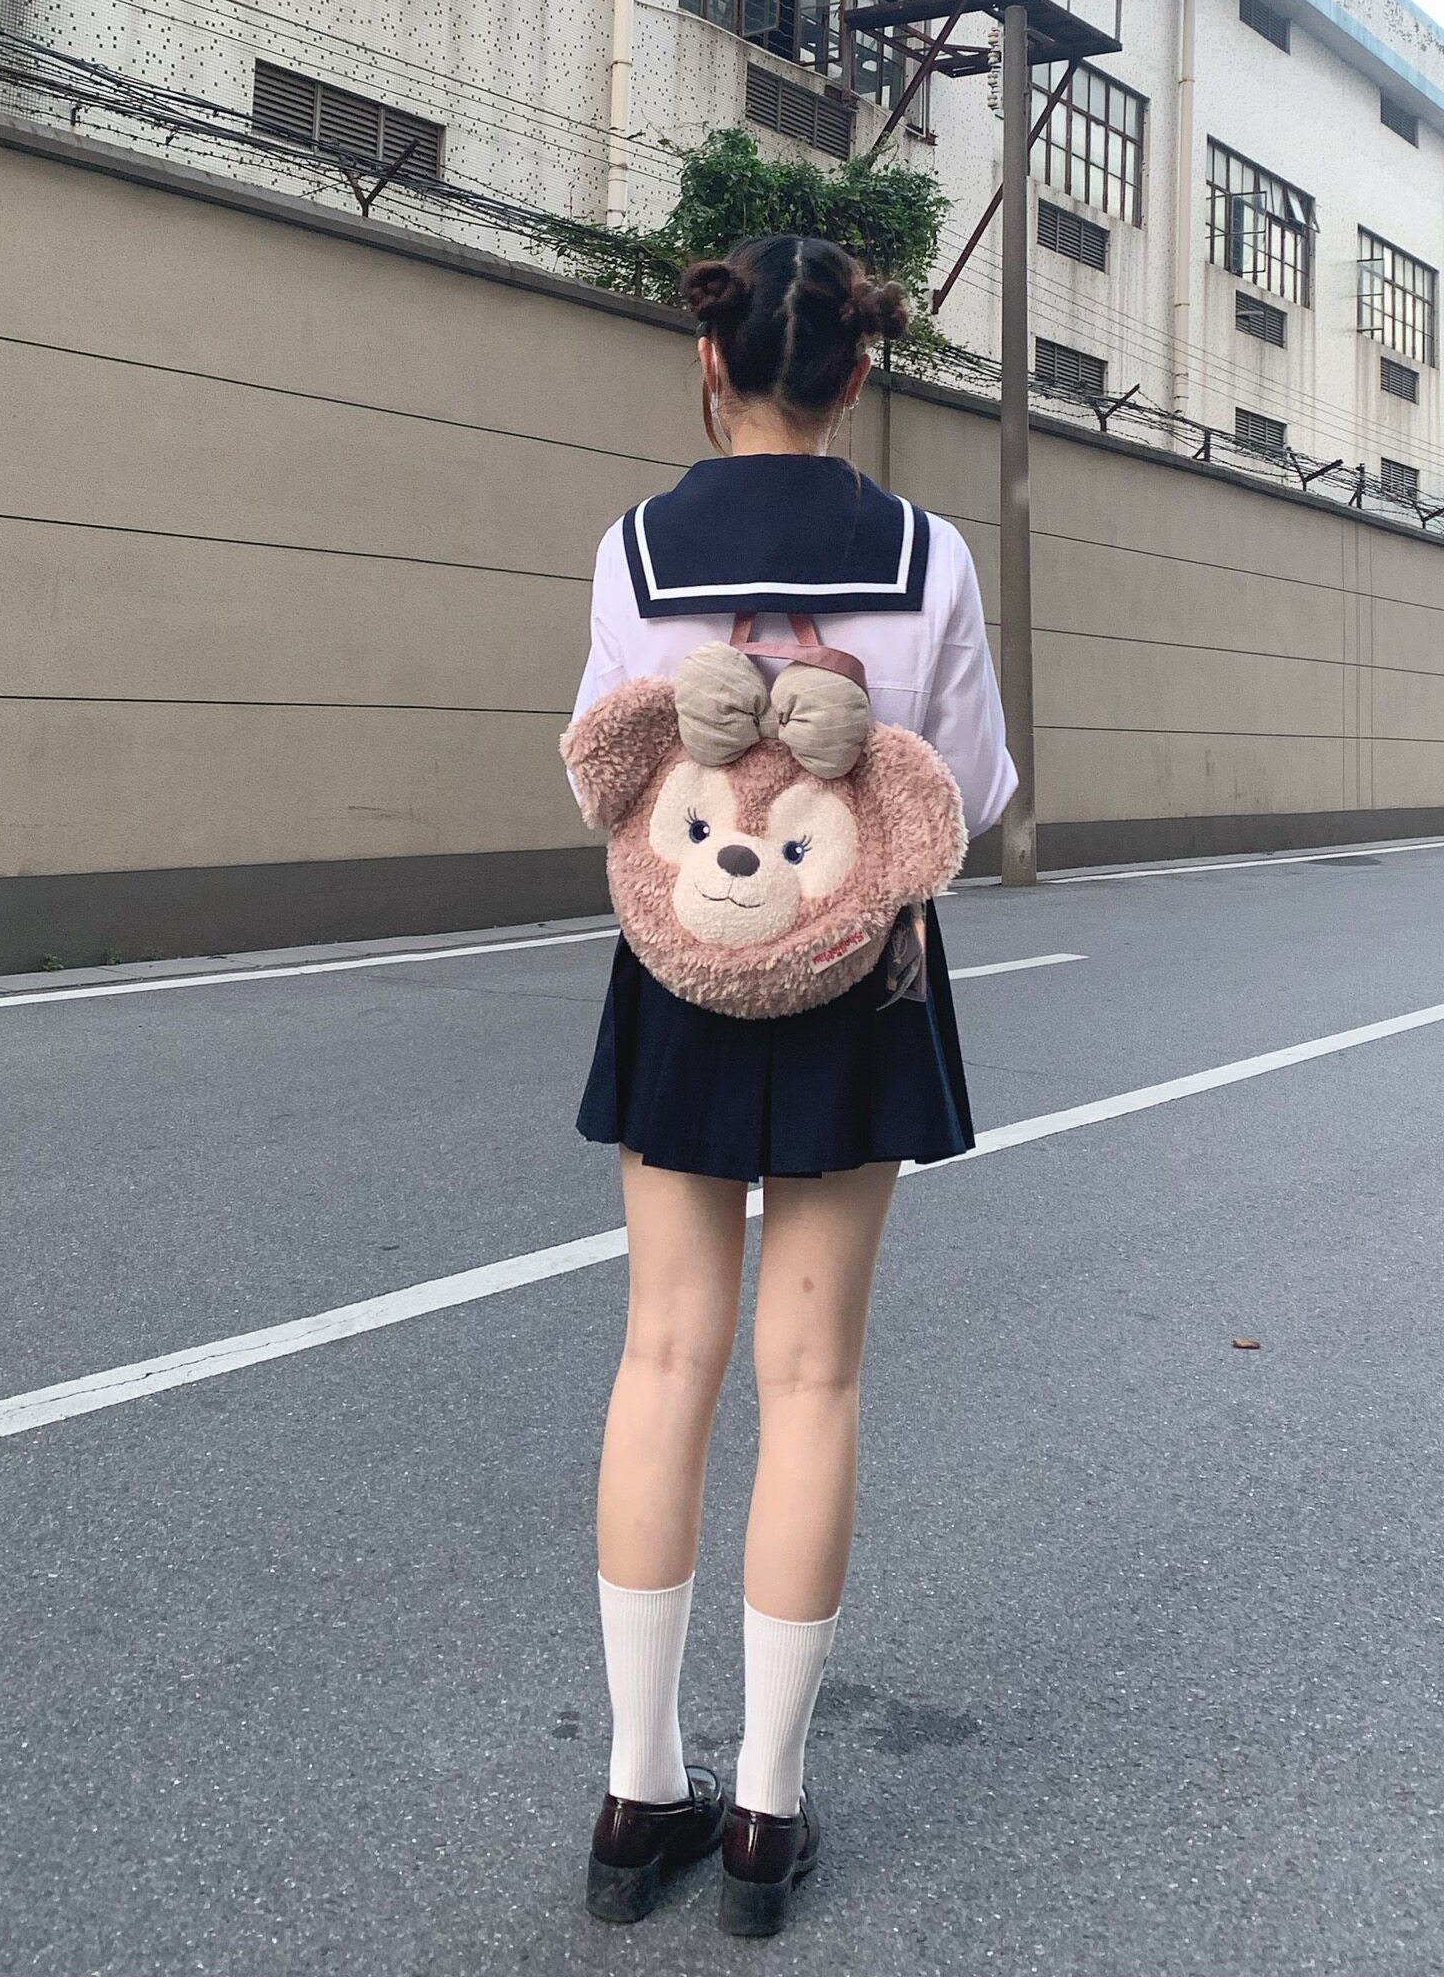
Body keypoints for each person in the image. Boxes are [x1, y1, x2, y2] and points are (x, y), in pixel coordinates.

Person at [568, 232, 1015, 1936]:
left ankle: (636, 1794)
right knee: (809, 1377)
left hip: (683, 970)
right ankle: (763, 1812)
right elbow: (968, 791)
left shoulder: (634, 550)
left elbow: (602, 771)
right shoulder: (926, 554)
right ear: (858, 375)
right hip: (857, 982)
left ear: (712, 363)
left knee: (663, 1355)